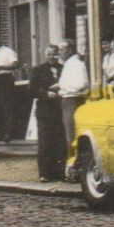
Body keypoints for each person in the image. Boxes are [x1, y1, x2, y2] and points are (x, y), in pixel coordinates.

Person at [29, 45, 68, 181]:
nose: (52, 57)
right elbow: (32, 89)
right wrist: (46, 94)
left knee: (60, 142)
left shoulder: (64, 69)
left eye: (54, 54)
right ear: (46, 55)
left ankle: (60, 172)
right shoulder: (38, 70)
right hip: (45, 111)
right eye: (49, 54)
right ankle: (45, 173)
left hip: (60, 110)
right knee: (45, 142)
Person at [0, 31, 21, 142]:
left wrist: (1, 67)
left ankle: (8, 133)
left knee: (7, 107)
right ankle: (0, 133)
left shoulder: (7, 51)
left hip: (6, 80)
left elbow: (15, 64)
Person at [55, 40, 90, 145]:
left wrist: (62, 86)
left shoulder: (76, 64)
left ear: (70, 50)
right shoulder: (69, 64)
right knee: (69, 134)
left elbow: (81, 85)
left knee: (72, 134)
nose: (59, 52)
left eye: (62, 49)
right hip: (67, 101)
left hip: (73, 101)